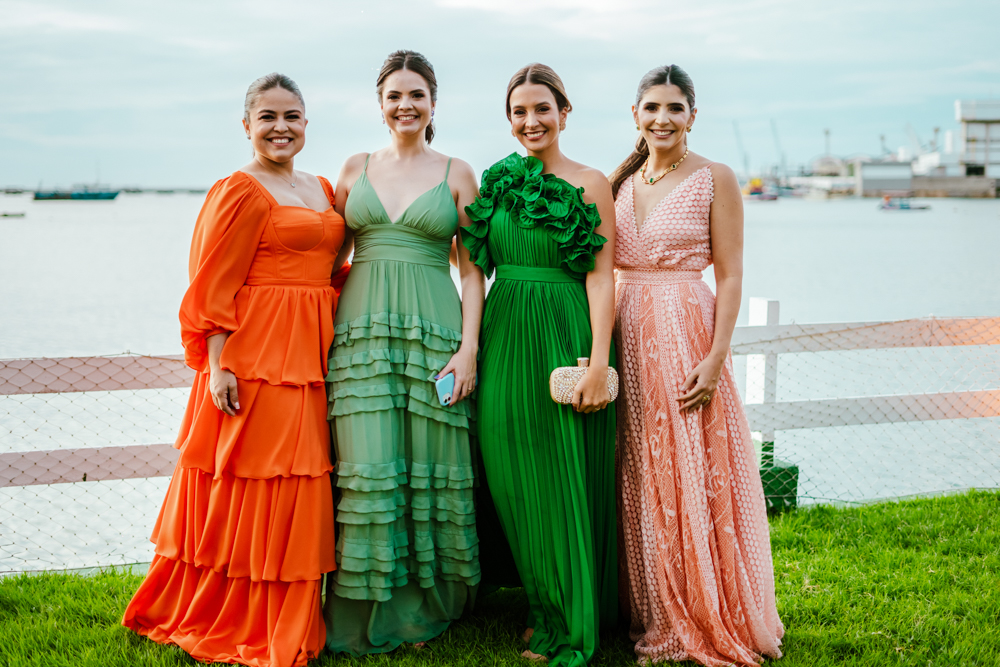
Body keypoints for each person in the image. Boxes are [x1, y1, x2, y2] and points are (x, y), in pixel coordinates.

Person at [122, 73, 343, 667]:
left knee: (301, 479)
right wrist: (218, 364)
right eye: (267, 117)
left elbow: (337, 269)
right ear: (246, 125)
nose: (280, 127)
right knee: (256, 481)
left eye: (292, 116)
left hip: (313, 355)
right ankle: (243, 615)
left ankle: (293, 609)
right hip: (254, 356)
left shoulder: (322, 187)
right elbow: (211, 284)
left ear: (305, 123)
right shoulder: (238, 190)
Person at [610, 64, 784, 666]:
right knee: (638, 468)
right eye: (651, 107)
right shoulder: (619, 183)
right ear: (635, 114)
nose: (662, 118)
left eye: (674, 108)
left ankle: (703, 609)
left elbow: (732, 274)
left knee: (688, 466)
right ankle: (649, 602)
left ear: (691, 115)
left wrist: (715, 358)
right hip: (624, 329)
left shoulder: (716, 177)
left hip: (686, 329)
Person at [322, 50, 485, 655]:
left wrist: (468, 349)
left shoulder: (457, 173)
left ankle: (427, 605)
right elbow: (322, 258)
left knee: (431, 466)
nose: (405, 105)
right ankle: (362, 607)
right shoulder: (352, 169)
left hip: (433, 335)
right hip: (361, 338)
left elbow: (472, 273)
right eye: (394, 95)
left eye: (416, 94)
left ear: (433, 103)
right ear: (380, 104)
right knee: (368, 468)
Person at [461, 63, 618, 666]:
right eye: (519, 112)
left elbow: (602, 278)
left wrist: (599, 362)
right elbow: (472, 264)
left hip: (563, 330)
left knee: (560, 476)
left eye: (542, 109)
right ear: (509, 119)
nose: (531, 121)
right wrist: (471, 344)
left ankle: (567, 617)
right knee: (508, 472)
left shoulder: (591, 182)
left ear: (564, 113)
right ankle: (537, 599)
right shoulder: (495, 181)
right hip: (503, 335)